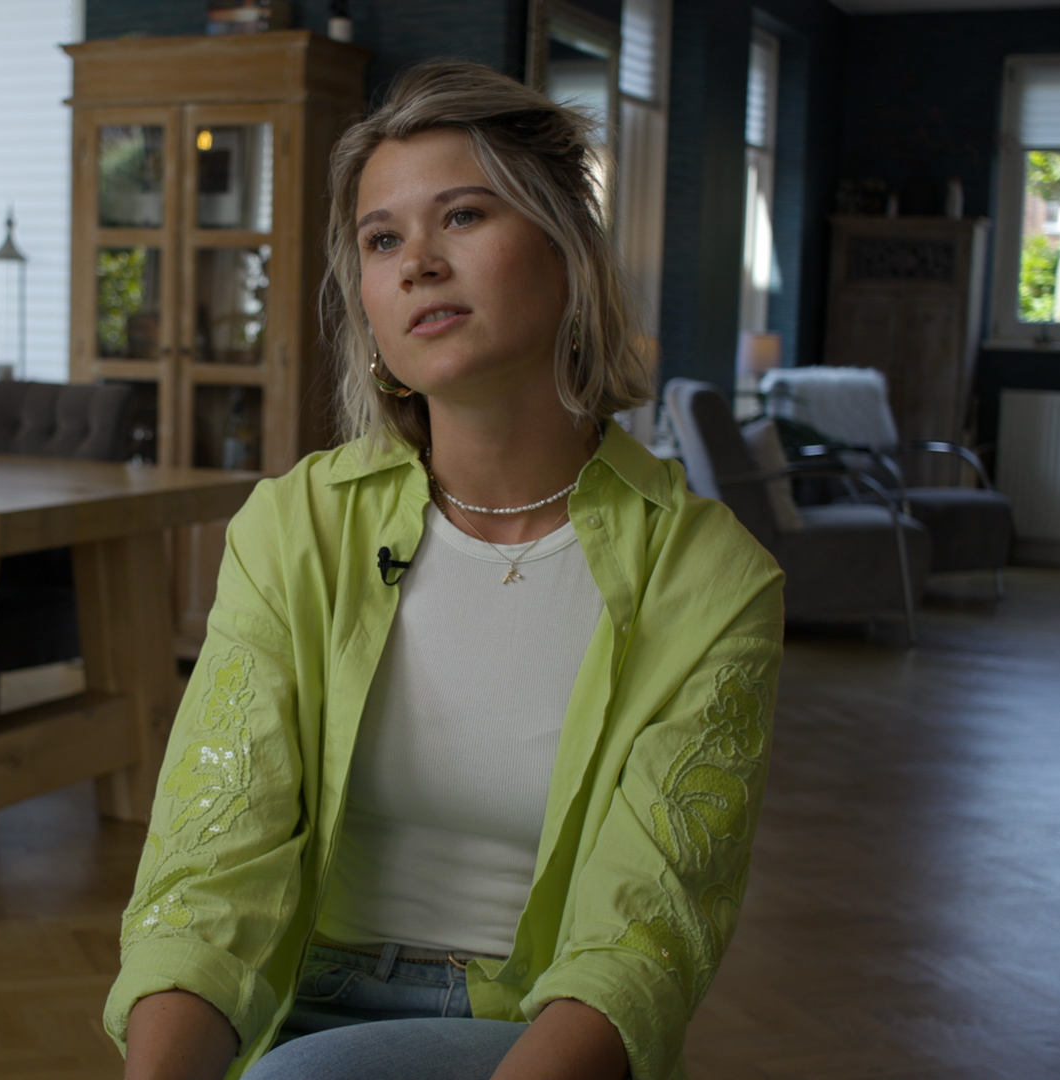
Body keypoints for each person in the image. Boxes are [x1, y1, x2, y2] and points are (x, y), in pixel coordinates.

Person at [105, 59, 784, 1080]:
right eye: (382, 240)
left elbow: (642, 941)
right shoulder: (294, 528)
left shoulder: (710, 577)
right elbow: (208, 871)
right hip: (285, 1005)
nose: (418, 262)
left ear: (567, 252)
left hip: (538, 1032)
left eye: (462, 216)